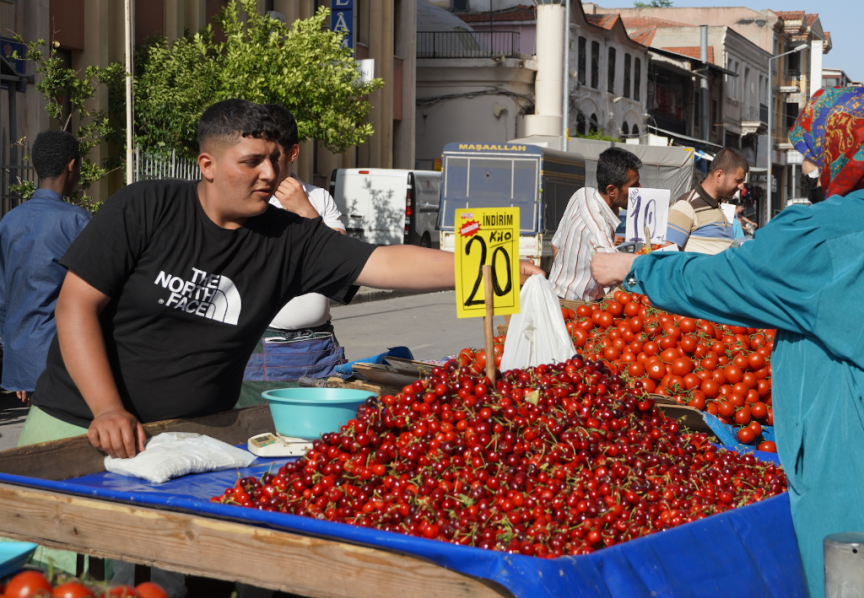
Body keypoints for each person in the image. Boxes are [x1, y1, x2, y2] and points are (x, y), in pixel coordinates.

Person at [591, 87, 864, 598]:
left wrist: (636, 267)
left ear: (844, 152)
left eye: (818, 158)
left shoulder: (820, 233)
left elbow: (726, 280)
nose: (816, 175)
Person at [24, 99, 542, 460]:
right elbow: (75, 306)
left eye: (275, 160)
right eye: (251, 162)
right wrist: (108, 408)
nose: (268, 175)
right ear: (207, 164)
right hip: (77, 420)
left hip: (190, 434)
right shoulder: (145, 206)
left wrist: (490, 267)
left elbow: (384, 261)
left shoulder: (292, 238)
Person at [236, 103, 348, 407]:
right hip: (262, 350)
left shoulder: (317, 198)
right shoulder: (243, 201)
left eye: (275, 157)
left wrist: (305, 211)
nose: (266, 169)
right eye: (257, 157)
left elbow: (342, 266)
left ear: (293, 152)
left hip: (320, 348)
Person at [0, 130, 90, 408]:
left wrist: (19, 364)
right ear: (72, 165)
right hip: (63, 357)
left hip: (22, 356)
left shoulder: (9, 221)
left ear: (36, 168)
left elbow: (5, 296)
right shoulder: (77, 221)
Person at [548, 147, 641, 301]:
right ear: (612, 190)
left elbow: (555, 245)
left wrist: (566, 276)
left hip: (555, 295)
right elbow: (616, 274)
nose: (640, 189)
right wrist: (644, 285)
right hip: (575, 307)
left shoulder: (582, 194)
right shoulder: (598, 230)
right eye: (633, 186)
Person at [666, 148, 748, 254]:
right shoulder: (686, 206)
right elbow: (666, 259)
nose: (741, 186)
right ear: (719, 175)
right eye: (738, 180)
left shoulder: (717, 206)